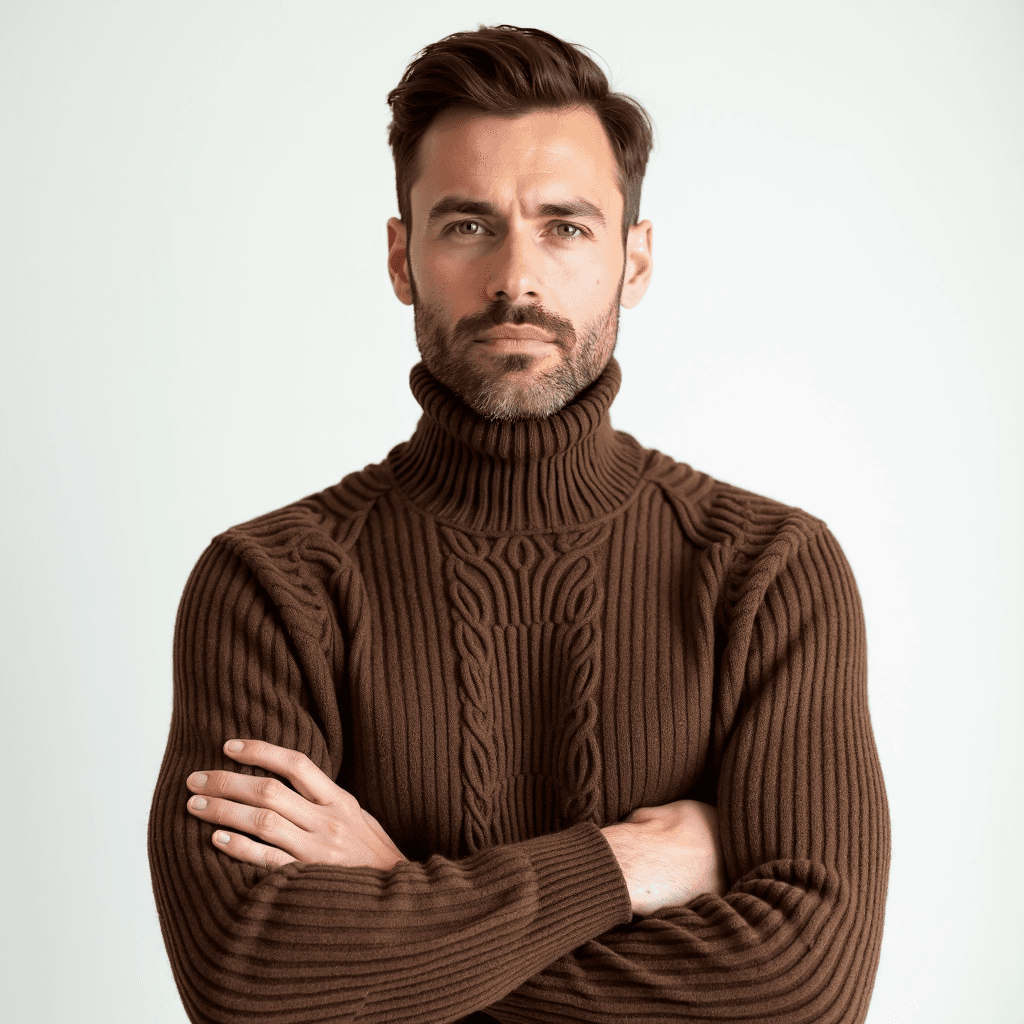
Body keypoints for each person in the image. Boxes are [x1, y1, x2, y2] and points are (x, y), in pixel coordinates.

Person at [149, 23, 890, 1024]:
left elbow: (802, 991)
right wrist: (628, 864)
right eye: (466, 224)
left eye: (565, 226)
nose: (515, 278)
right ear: (400, 256)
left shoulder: (766, 572)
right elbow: (254, 986)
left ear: (634, 261)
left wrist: (395, 893)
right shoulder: (270, 584)